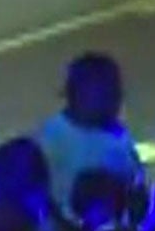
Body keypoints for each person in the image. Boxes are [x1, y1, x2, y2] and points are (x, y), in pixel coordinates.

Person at [35, 52, 145, 218]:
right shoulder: (53, 139)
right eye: (107, 92)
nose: (117, 98)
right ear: (79, 95)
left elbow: (134, 184)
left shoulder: (117, 133)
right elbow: (44, 201)